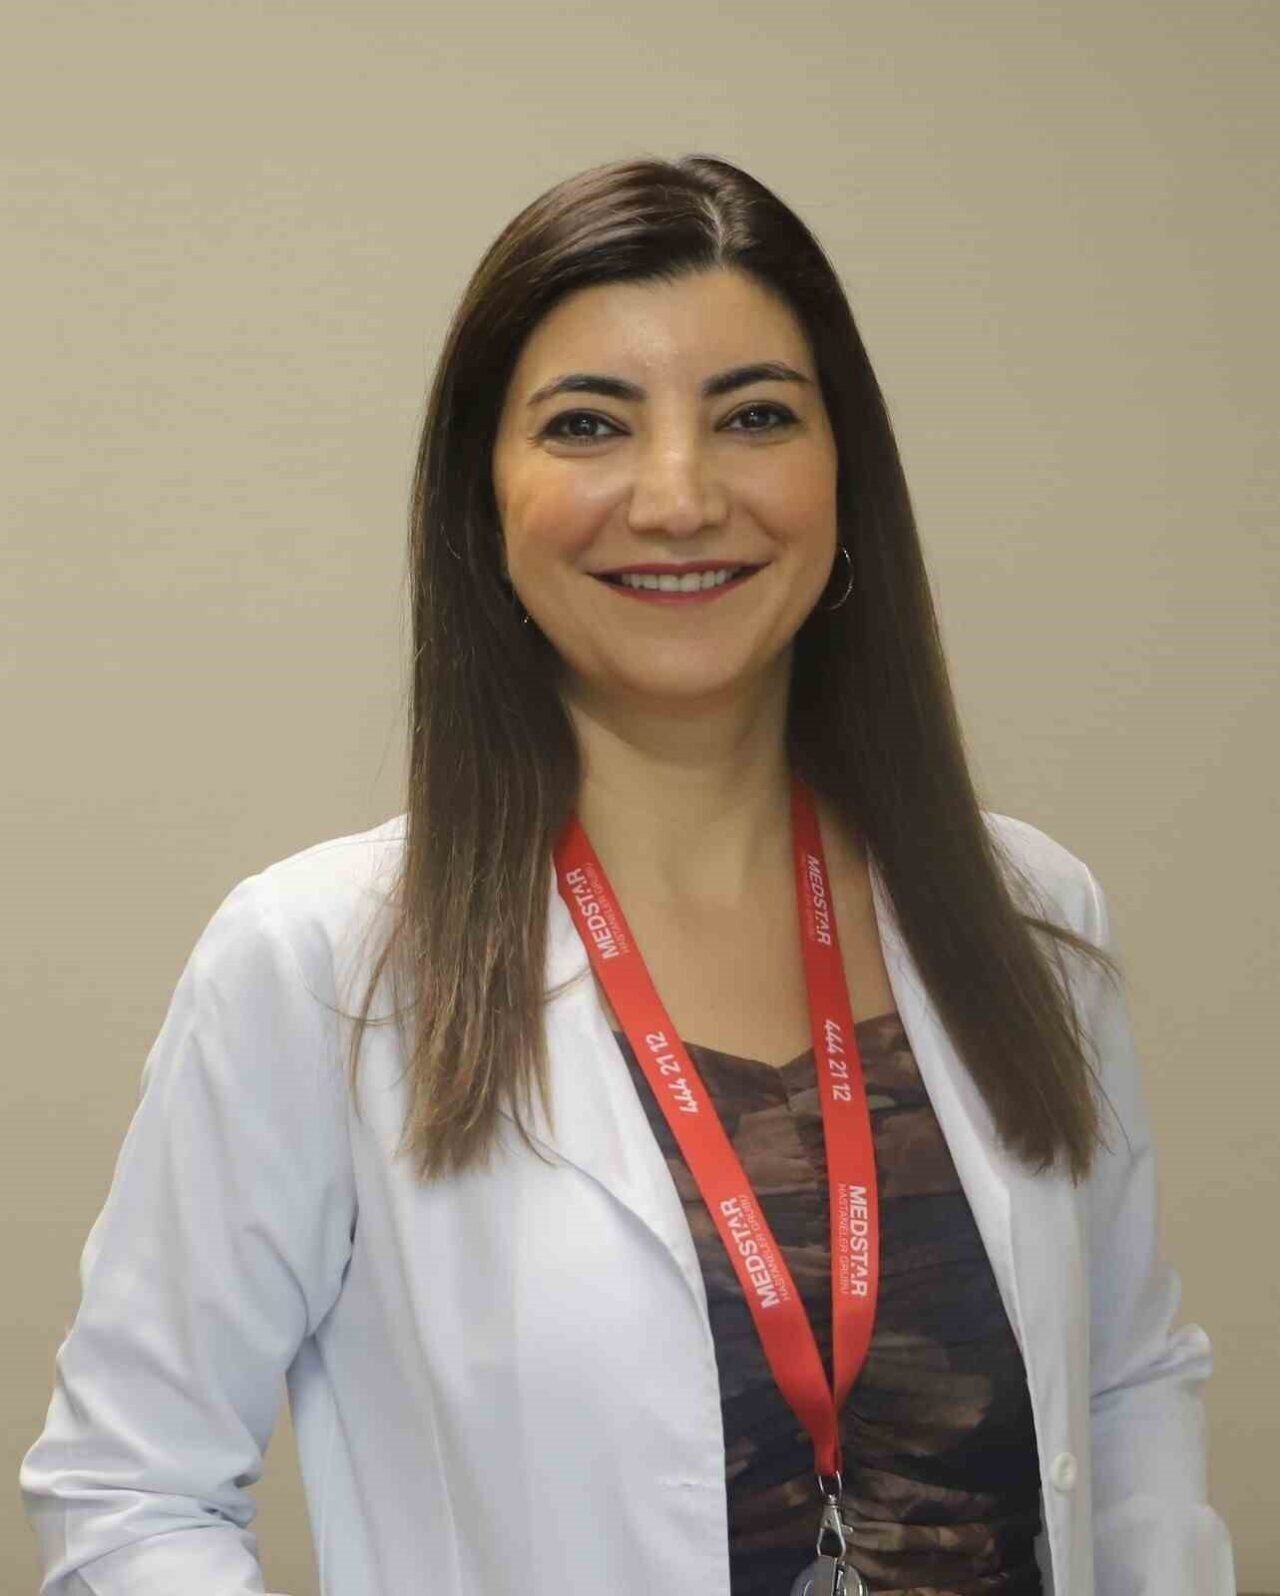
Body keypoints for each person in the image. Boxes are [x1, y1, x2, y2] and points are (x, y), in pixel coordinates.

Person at [20, 154, 1235, 1596]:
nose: (678, 496)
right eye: (589, 424)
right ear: (484, 500)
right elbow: (130, 1494)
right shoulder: (320, 966)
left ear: (844, 475)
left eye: (755, 416)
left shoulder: (1029, 915)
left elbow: (1127, 1384)